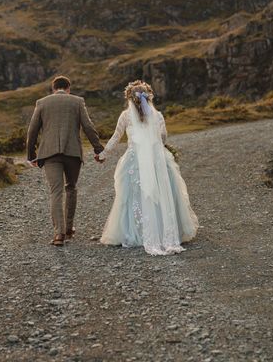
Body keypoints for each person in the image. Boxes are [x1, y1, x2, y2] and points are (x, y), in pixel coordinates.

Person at [98, 80, 199, 255]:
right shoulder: (157, 115)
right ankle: (165, 232)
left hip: (134, 159)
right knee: (163, 192)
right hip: (156, 159)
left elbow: (116, 137)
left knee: (131, 194)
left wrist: (103, 154)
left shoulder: (125, 116)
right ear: (149, 96)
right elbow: (163, 137)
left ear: (129, 98)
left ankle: (135, 232)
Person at [26, 75, 104, 246]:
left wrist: (31, 154)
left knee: (56, 192)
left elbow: (32, 131)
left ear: (53, 88)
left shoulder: (42, 102)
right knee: (71, 188)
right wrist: (98, 149)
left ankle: (58, 234)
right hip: (72, 152)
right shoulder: (77, 101)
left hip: (49, 153)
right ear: (68, 88)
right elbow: (88, 127)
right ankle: (69, 228)